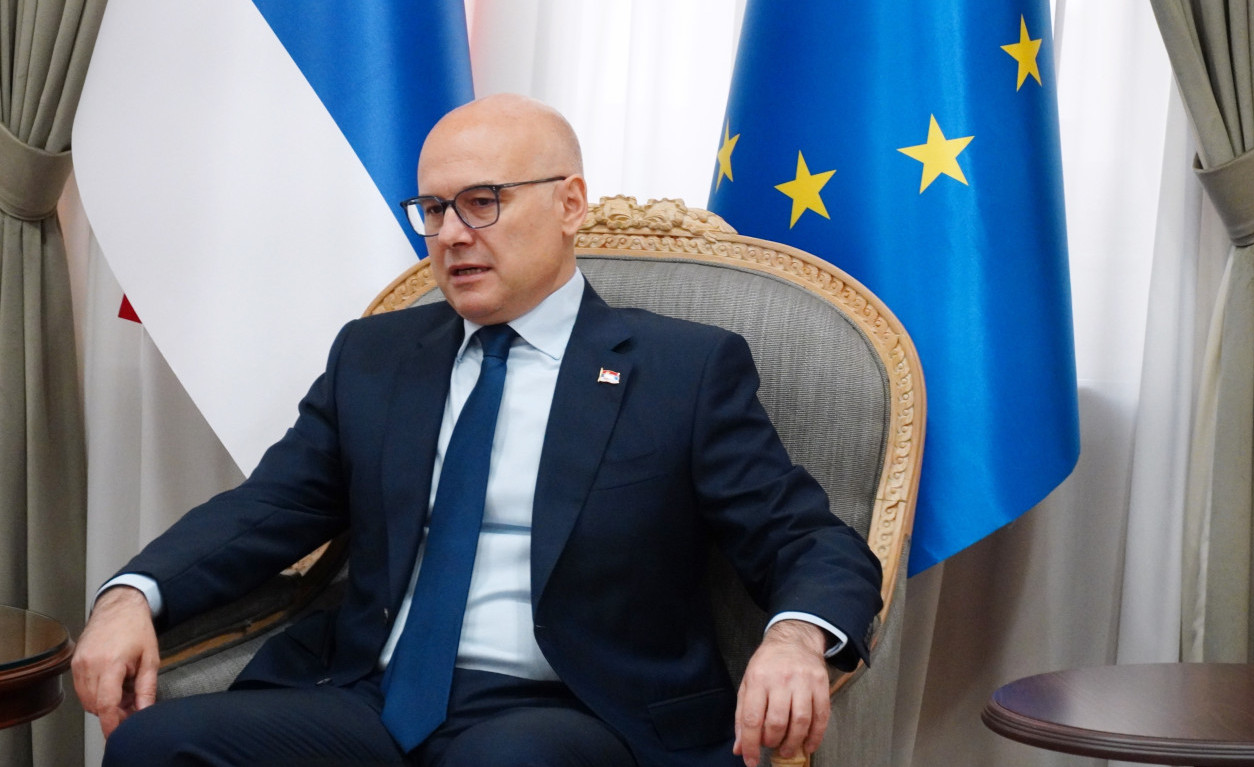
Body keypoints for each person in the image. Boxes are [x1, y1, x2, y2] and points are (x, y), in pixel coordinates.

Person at [72, 94, 883, 767]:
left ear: (569, 204)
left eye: (482, 202)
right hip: (368, 694)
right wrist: (130, 595)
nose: (451, 233)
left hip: (567, 707)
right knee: (155, 744)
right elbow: (270, 508)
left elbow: (806, 537)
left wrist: (794, 638)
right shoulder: (375, 354)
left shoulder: (681, 370)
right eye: (432, 209)